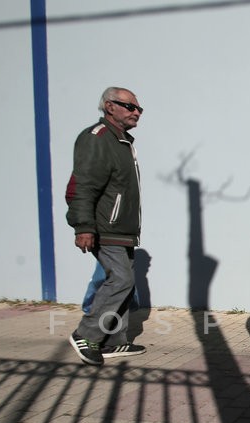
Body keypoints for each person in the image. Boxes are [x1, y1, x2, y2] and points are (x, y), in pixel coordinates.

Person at [65, 86, 148, 365]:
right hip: (105, 227)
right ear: (109, 106)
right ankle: (86, 335)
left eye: (139, 109)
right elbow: (81, 186)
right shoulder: (97, 139)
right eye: (130, 106)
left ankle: (113, 341)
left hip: (123, 230)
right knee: (121, 280)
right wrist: (83, 227)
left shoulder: (122, 141)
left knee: (126, 282)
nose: (136, 112)